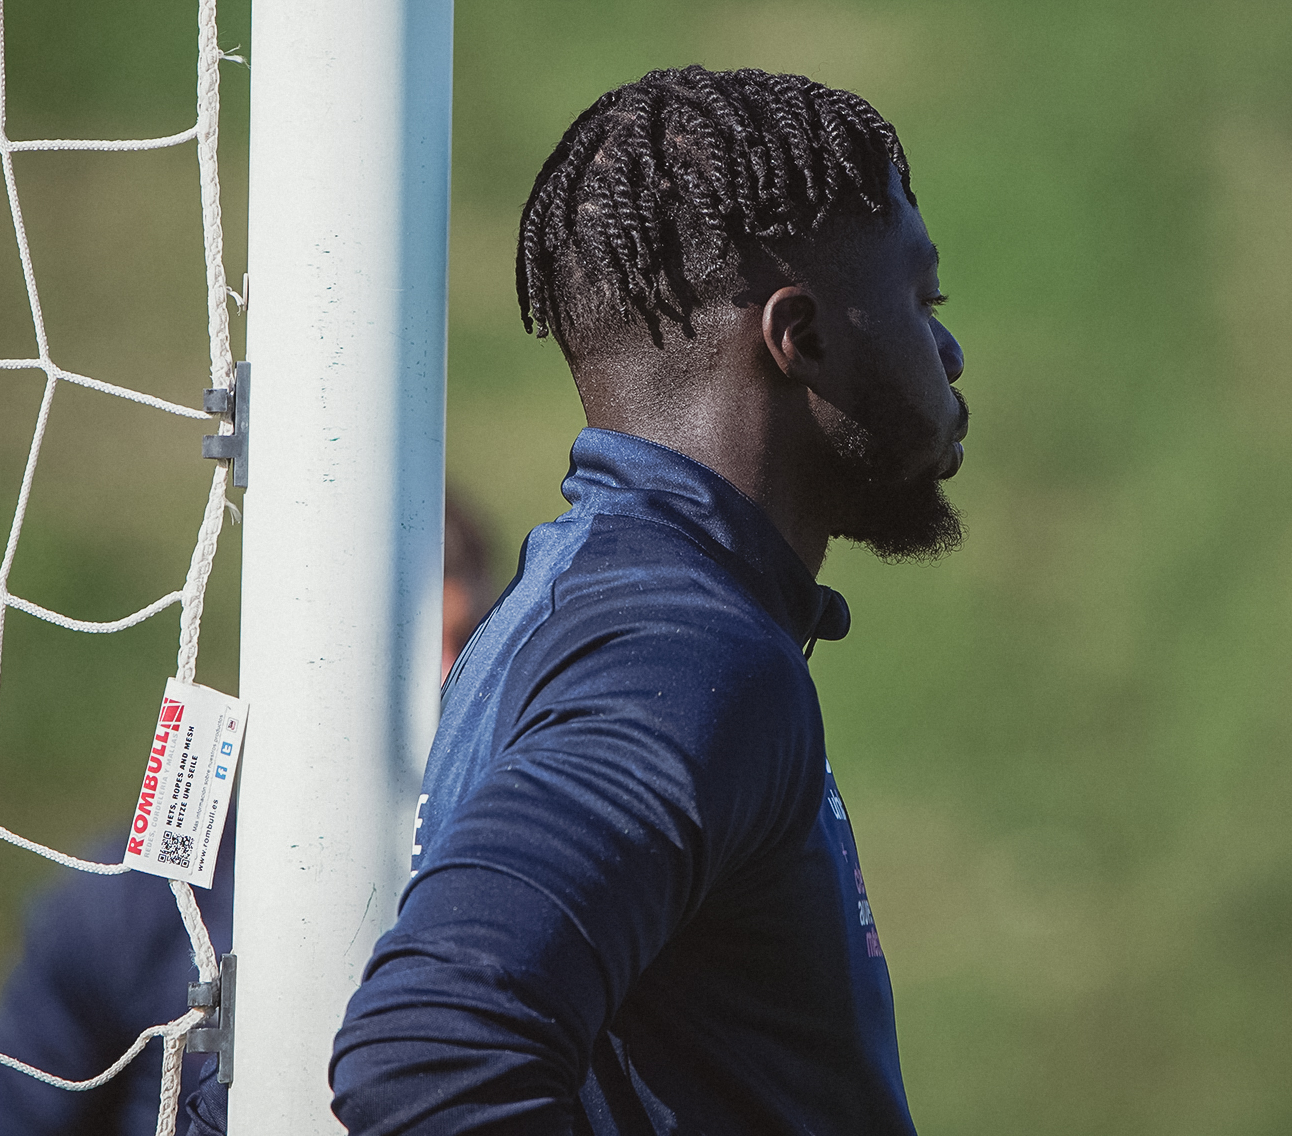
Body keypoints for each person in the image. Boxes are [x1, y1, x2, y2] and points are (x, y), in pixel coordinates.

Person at [191, 64, 970, 1136]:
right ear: (802, 339)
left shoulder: (588, 607)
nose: (948, 350)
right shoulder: (684, 659)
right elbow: (432, 1050)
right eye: (922, 303)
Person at [0, 494, 495, 1136]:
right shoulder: (146, 905)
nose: (439, 676)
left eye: (460, 644)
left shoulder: (507, 877)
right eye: (406, 648)